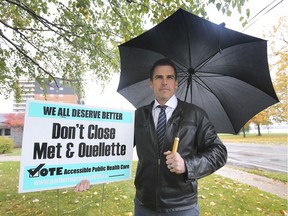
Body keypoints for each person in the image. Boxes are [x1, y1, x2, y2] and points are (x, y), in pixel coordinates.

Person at [75, 58, 227, 215]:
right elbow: (113, 151)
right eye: (159, 77)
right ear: (151, 83)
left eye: (170, 77)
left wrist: (187, 165)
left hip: (182, 207)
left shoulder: (195, 115)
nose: (164, 82)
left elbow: (219, 152)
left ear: (176, 83)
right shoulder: (139, 116)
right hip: (144, 205)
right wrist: (89, 174)